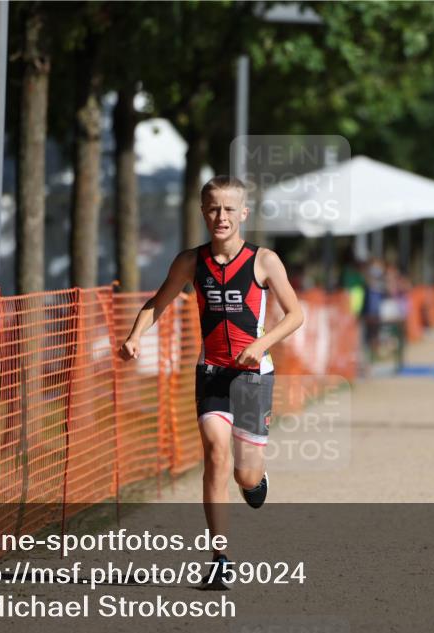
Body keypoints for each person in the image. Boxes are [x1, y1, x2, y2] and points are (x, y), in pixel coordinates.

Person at [117, 175, 304, 589]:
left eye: (229, 209)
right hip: (213, 372)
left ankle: (256, 478)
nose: (221, 216)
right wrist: (134, 336)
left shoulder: (264, 260)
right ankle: (220, 558)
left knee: (245, 477)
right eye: (214, 208)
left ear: (243, 213)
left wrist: (261, 344)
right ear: (203, 212)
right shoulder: (190, 261)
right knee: (215, 453)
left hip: (254, 376)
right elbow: (157, 303)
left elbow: (296, 314)